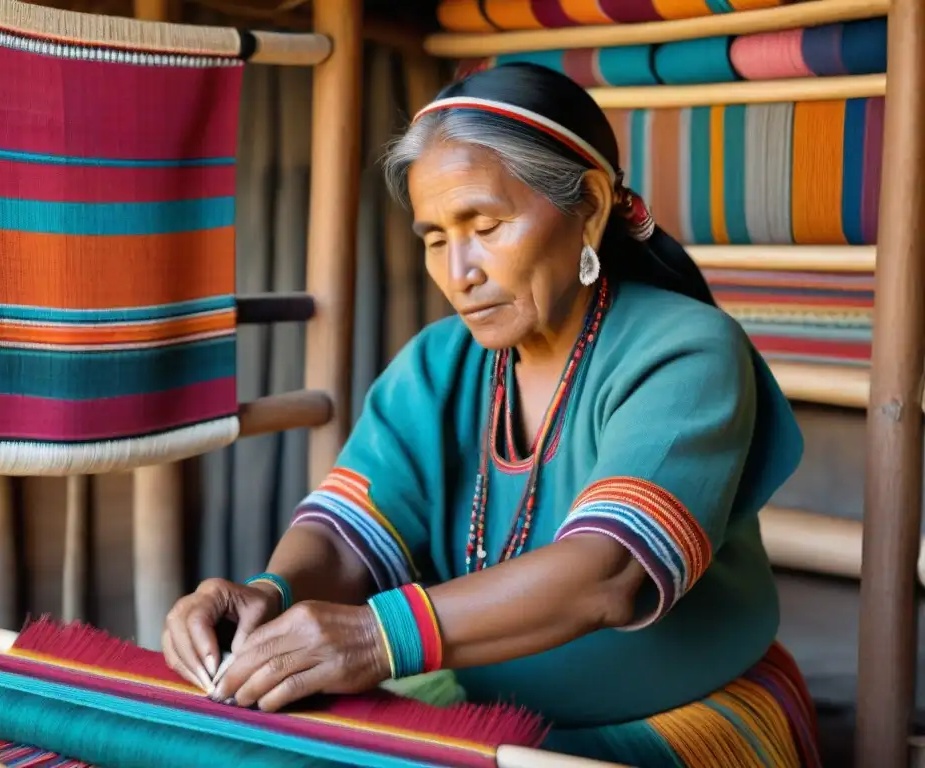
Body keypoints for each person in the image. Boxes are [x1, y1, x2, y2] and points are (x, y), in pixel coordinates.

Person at [163, 62, 821, 767]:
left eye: (487, 224)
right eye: (436, 238)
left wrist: (376, 637)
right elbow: (346, 535)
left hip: (682, 715)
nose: (459, 272)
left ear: (591, 207)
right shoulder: (437, 365)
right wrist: (271, 595)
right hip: (491, 717)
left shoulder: (685, 353)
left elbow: (607, 575)